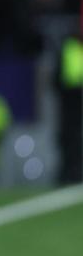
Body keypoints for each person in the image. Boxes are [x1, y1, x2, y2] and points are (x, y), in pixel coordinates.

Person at [55, 33, 83, 184]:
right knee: (70, 138)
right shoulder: (70, 49)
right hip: (71, 103)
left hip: (73, 102)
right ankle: (69, 173)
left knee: (73, 138)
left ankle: (74, 172)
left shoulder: (71, 49)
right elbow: (60, 79)